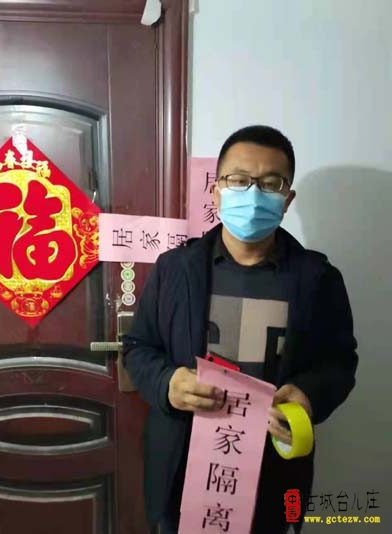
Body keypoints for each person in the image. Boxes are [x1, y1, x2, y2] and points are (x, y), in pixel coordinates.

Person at [124, 125, 358, 533]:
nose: (253, 194)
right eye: (239, 180)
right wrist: (167, 382)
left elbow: (340, 362)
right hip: (182, 467)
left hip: (274, 469)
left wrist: (309, 394)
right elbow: (138, 347)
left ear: (287, 200)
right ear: (216, 191)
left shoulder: (319, 279)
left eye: (270, 183)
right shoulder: (174, 270)